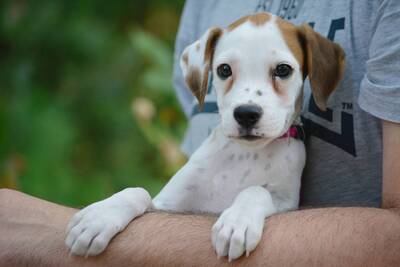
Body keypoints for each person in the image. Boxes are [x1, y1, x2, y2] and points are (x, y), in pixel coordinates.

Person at [1, 0, 400, 266]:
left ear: (315, 72)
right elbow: (162, 218)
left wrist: (256, 199)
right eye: (226, 72)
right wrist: (130, 201)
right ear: (203, 71)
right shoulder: (211, 145)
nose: (248, 102)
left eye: (280, 72)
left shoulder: (292, 155)